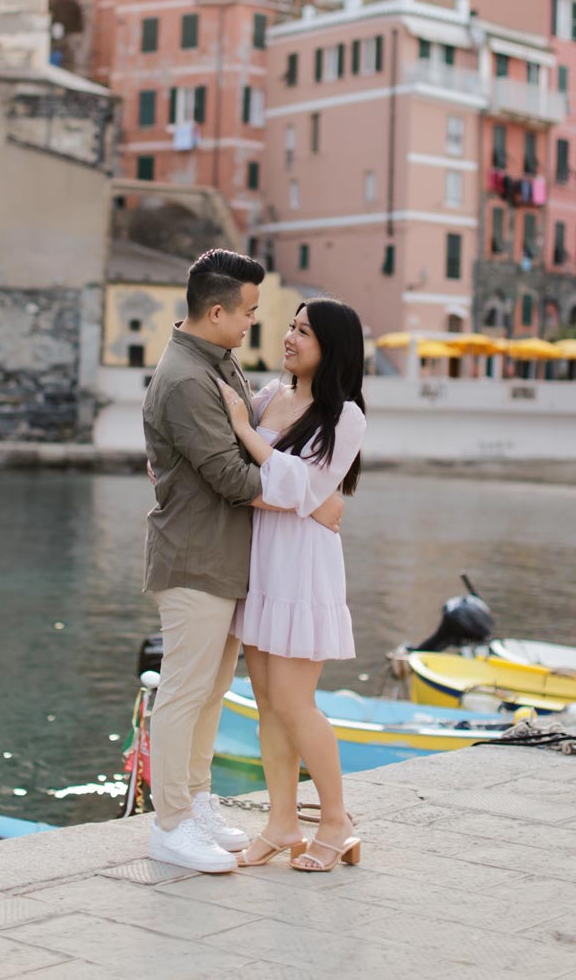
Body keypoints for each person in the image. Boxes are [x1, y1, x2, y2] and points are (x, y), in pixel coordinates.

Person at [143, 251, 345, 873]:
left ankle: (196, 803)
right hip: (195, 557)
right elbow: (231, 476)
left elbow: (242, 441)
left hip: (231, 559)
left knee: (209, 692)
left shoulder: (219, 360)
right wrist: (311, 500)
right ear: (216, 312)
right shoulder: (186, 378)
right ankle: (170, 823)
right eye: (250, 312)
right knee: (184, 692)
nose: (258, 323)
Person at [216, 297, 366, 872]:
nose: (290, 337)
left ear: (333, 347)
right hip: (262, 563)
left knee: (294, 703)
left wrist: (244, 432)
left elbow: (294, 487)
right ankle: (282, 823)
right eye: (292, 326)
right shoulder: (268, 398)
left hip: (303, 569)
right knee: (268, 706)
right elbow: (246, 473)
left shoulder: (344, 416)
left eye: (305, 331)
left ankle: (336, 821)